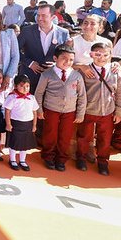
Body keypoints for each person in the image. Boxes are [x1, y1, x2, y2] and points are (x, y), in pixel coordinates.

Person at [34, 44, 87, 172]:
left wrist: (80, 114)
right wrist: (39, 110)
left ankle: (61, 159)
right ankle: (48, 156)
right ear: (55, 58)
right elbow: (38, 93)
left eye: (71, 60)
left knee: (65, 135)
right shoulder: (47, 74)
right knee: (50, 134)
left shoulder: (77, 76)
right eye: (64, 58)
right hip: (51, 109)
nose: (67, 62)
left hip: (69, 111)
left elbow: (82, 96)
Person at [77, 43, 121, 175]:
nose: (101, 58)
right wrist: (80, 112)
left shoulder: (115, 71)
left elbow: (120, 92)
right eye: (97, 54)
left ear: (110, 55)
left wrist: (119, 111)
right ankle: (81, 158)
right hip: (88, 110)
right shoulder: (84, 71)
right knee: (84, 136)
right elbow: (80, 92)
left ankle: (103, 162)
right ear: (91, 55)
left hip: (108, 111)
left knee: (105, 139)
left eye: (105, 55)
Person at [18, 4, 70, 93]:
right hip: (29, 78)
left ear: (53, 17)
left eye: (43, 16)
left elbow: (67, 55)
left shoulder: (64, 33)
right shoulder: (27, 31)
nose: (39, 18)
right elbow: (14, 51)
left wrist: (56, 65)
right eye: (38, 15)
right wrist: (29, 63)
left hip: (53, 79)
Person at [1, 74, 37, 171]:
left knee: (24, 143)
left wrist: (34, 125)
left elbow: (34, 112)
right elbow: (7, 111)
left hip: (28, 124)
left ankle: (22, 160)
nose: (25, 88)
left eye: (27, 86)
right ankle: (12, 159)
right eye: (22, 86)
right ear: (16, 86)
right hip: (15, 123)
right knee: (14, 142)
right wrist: (8, 124)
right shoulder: (12, 97)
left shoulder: (32, 98)